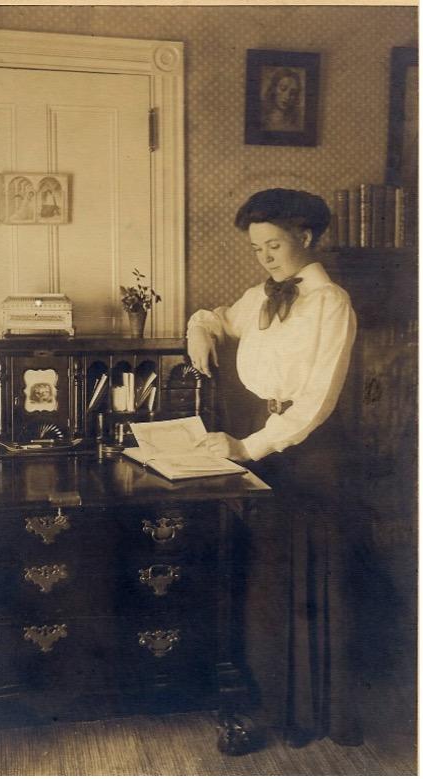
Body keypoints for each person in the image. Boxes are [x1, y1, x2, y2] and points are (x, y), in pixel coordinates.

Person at [187, 188, 363, 747]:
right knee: (268, 581)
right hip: (267, 445)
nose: (264, 257)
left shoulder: (331, 303)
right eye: (257, 247)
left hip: (309, 453)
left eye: (274, 245)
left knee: (307, 581)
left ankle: (312, 717)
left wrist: (247, 448)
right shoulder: (259, 295)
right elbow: (220, 319)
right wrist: (200, 327)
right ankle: (277, 705)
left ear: (305, 238)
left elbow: (316, 401)